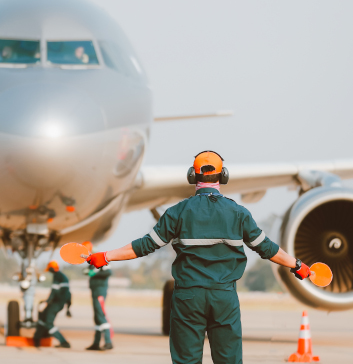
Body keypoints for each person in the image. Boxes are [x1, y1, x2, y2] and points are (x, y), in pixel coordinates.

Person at [85, 151, 312, 364]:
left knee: (186, 360)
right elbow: (268, 249)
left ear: (192, 176)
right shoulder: (239, 213)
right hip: (223, 297)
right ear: (223, 176)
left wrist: (106, 256)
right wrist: (298, 265)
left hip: (188, 297)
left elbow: (144, 246)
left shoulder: (177, 212)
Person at [81, 241, 113, 351]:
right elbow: (89, 272)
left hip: (100, 291)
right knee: (96, 317)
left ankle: (108, 342)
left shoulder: (101, 259)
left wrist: (95, 274)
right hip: (94, 292)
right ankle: (96, 343)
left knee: (100, 315)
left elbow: (108, 272)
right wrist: (87, 271)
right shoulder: (92, 262)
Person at [33, 261, 72, 349]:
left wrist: (47, 302)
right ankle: (37, 337)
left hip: (56, 304)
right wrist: (68, 307)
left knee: (49, 323)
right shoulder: (63, 276)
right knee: (43, 318)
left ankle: (64, 342)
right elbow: (68, 294)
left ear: (51, 268)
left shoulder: (57, 276)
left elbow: (54, 291)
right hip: (59, 303)